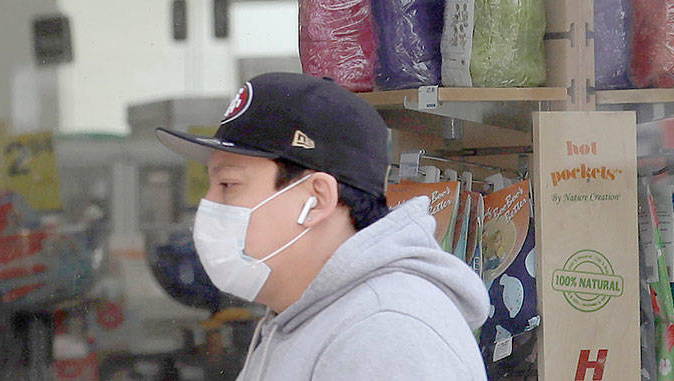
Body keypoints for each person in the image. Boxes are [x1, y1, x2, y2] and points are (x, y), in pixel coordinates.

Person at [157, 72, 489, 380]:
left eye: (228, 185)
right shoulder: (305, 319)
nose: (209, 205)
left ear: (316, 199)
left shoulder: (384, 334)